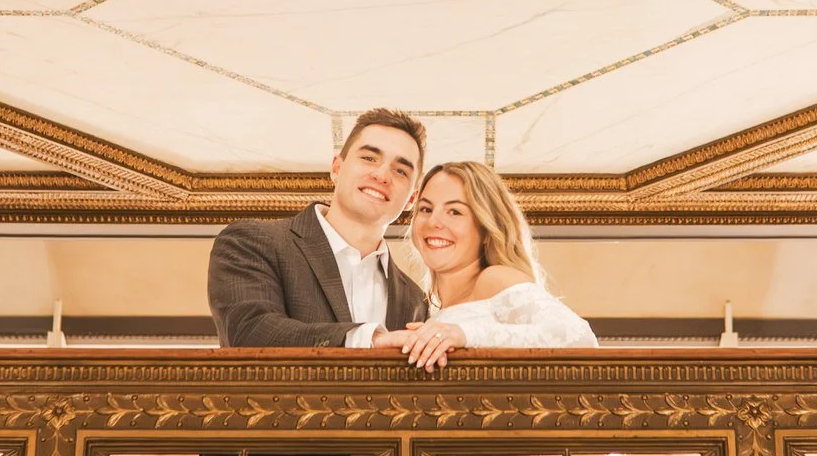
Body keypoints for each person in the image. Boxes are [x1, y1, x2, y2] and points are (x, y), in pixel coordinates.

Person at [207, 107, 432, 348]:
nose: (382, 175)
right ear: (336, 168)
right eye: (369, 158)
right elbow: (251, 333)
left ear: (411, 199)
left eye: (401, 171)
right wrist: (371, 340)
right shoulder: (251, 242)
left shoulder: (416, 301)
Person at [390, 159, 596, 370]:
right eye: (425, 209)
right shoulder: (423, 309)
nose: (434, 221)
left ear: (487, 229)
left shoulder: (494, 278)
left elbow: (579, 337)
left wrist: (463, 334)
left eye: (455, 212)